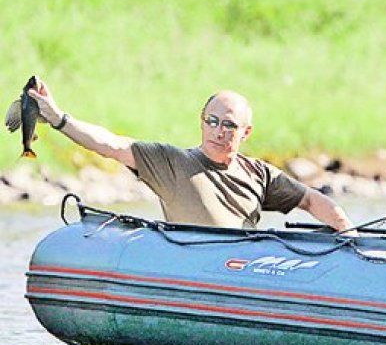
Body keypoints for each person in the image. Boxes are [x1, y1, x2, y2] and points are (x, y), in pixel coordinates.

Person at [27, 80, 356, 233]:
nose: (218, 131)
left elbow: (312, 201)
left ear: (246, 132)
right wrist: (58, 118)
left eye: (229, 125)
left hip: (246, 273)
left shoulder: (260, 174)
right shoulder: (171, 162)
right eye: (212, 121)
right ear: (202, 121)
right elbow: (111, 144)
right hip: (192, 270)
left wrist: (349, 235)